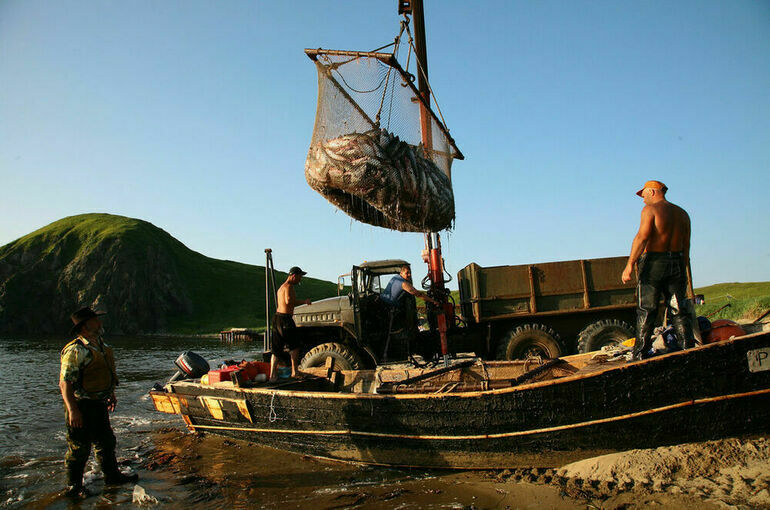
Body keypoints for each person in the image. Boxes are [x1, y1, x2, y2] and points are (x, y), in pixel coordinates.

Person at [59, 307, 138, 499]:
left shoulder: (100, 345)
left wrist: (111, 393)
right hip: (81, 405)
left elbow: (104, 373)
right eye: (95, 320)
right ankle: (73, 487)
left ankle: (112, 477)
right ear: (85, 326)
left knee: (106, 441)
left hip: (99, 403)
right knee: (79, 447)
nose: (99, 323)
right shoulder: (75, 350)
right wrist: (73, 410)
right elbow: (64, 383)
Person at [621, 180, 696, 360]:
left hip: (655, 261)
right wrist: (684, 267)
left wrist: (630, 264)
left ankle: (640, 353)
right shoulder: (682, 214)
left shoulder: (650, 210)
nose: (643, 199)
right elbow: (686, 245)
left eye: (644, 194)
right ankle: (688, 349)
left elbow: (642, 237)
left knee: (647, 309)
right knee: (678, 307)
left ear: (653, 192)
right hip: (677, 261)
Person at [269, 266, 312, 382]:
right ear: (293, 276)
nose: (300, 280)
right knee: (295, 346)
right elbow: (288, 301)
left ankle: (272, 376)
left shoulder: (280, 288)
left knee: (276, 349)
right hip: (285, 319)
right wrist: (304, 302)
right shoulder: (289, 286)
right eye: (299, 277)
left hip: (277, 318)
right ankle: (295, 371)